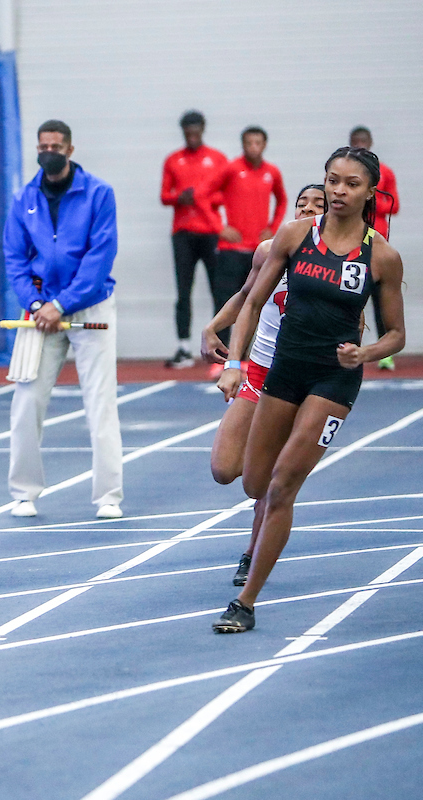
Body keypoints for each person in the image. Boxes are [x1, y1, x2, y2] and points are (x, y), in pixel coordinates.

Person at [212, 147, 405, 633]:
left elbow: (396, 334)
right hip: (284, 371)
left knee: (280, 487)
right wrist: (235, 363)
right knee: (254, 483)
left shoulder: (380, 255)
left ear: (369, 192)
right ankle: (260, 538)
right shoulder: (295, 236)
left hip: (334, 380)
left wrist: (364, 353)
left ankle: (246, 601)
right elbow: (252, 302)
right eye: (333, 181)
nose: (340, 191)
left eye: (352, 184)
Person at [200, 184, 328, 587]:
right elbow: (246, 296)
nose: (308, 209)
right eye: (302, 203)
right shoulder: (271, 250)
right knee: (224, 469)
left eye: (318, 205)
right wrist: (213, 327)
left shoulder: (342, 263)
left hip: (300, 381)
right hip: (259, 371)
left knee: (271, 479)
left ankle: (252, 555)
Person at [4, 119, 124, 520]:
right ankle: (24, 492)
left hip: (89, 307)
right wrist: (38, 305)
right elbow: (15, 260)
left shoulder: (99, 194)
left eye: (56, 146)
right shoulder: (24, 199)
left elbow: (100, 257)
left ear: (70, 150)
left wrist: (64, 303)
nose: (49, 152)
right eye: (43, 146)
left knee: (100, 402)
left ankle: (109, 496)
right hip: (41, 314)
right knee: (26, 401)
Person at [198, 126, 288, 349]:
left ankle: (251, 355)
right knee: (226, 301)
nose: (254, 148)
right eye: (249, 143)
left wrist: (273, 227)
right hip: (231, 250)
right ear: (243, 145)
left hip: (259, 252)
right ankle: (221, 353)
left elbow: (283, 200)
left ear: (265, 145)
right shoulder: (231, 168)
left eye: (258, 143)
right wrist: (219, 227)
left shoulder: (272, 172)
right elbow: (201, 195)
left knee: (258, 303)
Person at [161, 110, 228, 368]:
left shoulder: (217, 159)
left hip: (210, 231)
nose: (192, 137)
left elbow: (225, 195)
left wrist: (203, 199)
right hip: (183, 233)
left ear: (202, 129)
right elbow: (165, 196)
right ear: (183, 132)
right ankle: (183, 347)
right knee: (183, 291)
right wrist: (181, 198)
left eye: (195, 132)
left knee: (218, 290)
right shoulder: (173, 160)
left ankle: (220, 347)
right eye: (187, 133)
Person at [349, 126, 401, 370]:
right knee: (350, 298)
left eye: (363, 142)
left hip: (376, 243)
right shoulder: (346, 172)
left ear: (370, 143)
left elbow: (394, 205)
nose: (359, 146)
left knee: (382, 302)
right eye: (355, 142)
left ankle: (385, 353)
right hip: (352, 244)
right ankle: (346, 350)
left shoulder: (385, 172)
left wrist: (369, 201)